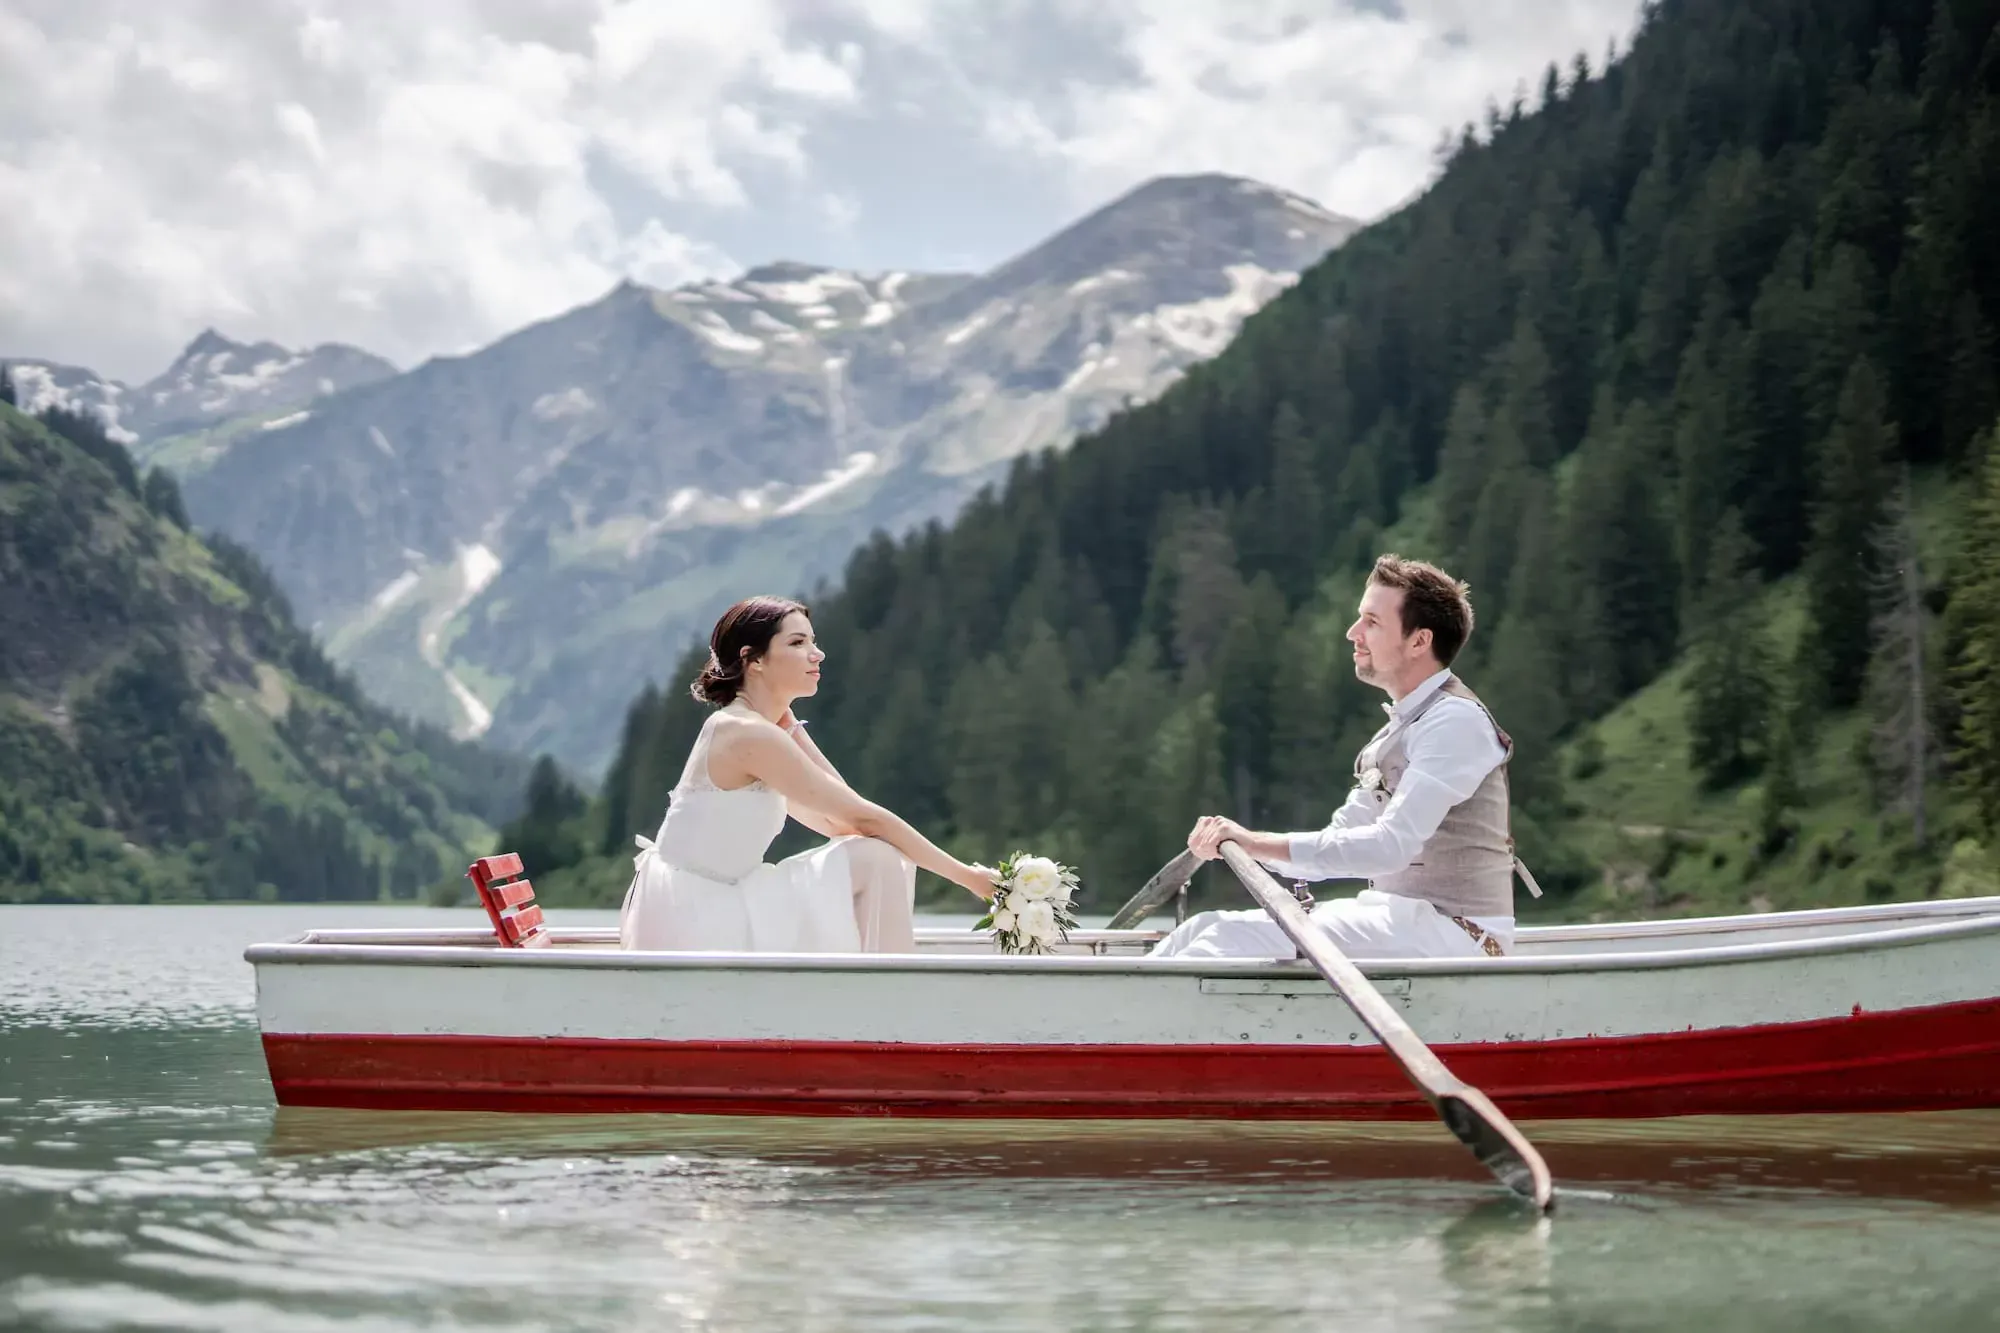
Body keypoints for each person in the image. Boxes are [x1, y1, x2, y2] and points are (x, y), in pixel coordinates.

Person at [1151, 554, 1540, 961]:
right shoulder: (1399, 730)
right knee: (1204, 927)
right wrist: (1247, 846)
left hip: (1462, 934)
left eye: (1372, 622)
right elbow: (1343, 836)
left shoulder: (1454, 722)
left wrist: (1253, 842)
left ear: (1419, 641)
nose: (1353, 633)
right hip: (1404, 920)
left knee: (1227, 940)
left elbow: (1390, 847)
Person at [621, 595, 997, 953]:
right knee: (875, 858)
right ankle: (891, 1000)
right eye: (798, 642)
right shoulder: (746, 732)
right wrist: (969, 878)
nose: (817, 654)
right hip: (700, 912)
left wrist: (793, 728)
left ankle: (887, 993)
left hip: (707, 902)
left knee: (873, 854)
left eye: (813, 642)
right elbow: (863, 817)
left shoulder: (757, 728)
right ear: (754, 660)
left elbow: (840, 822)